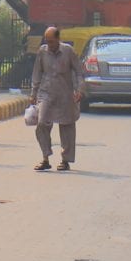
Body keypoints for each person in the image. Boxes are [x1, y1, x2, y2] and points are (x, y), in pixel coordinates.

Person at [30, 26, 84, 172]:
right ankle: (45, 157)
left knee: (67, 126)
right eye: (47, 41)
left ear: (59, 39)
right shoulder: (42, 51)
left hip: (65, 93)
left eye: (52, 42)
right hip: (46, 92)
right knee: (41, 123)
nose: (50, 45)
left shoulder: (68, 51)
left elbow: (79, 72)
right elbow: (37, 73)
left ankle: (65, 160)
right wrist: (33, 93)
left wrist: (79, 90)